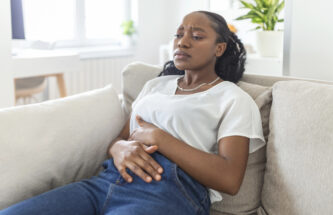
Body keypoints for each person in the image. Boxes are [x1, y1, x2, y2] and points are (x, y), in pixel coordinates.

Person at [0, 10, 266, 215]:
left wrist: (160, 139)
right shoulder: (155, 85)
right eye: (178, 34)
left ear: (219, 48)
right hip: (106, 180)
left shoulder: (233, 98)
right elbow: (121, 138)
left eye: (196, 36)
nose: (182, 42)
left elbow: (229, 179)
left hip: (168, 192)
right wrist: (118, 149)